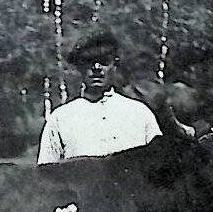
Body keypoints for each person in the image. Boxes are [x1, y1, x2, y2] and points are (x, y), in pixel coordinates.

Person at [37, 29, 163, 164]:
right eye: (89, 61)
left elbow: (158, 168)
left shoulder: (140, 114)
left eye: (104, 61)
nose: (96, 67)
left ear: (114, 65)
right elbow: (45, 176)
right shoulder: (61, 119)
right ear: (79, 67)